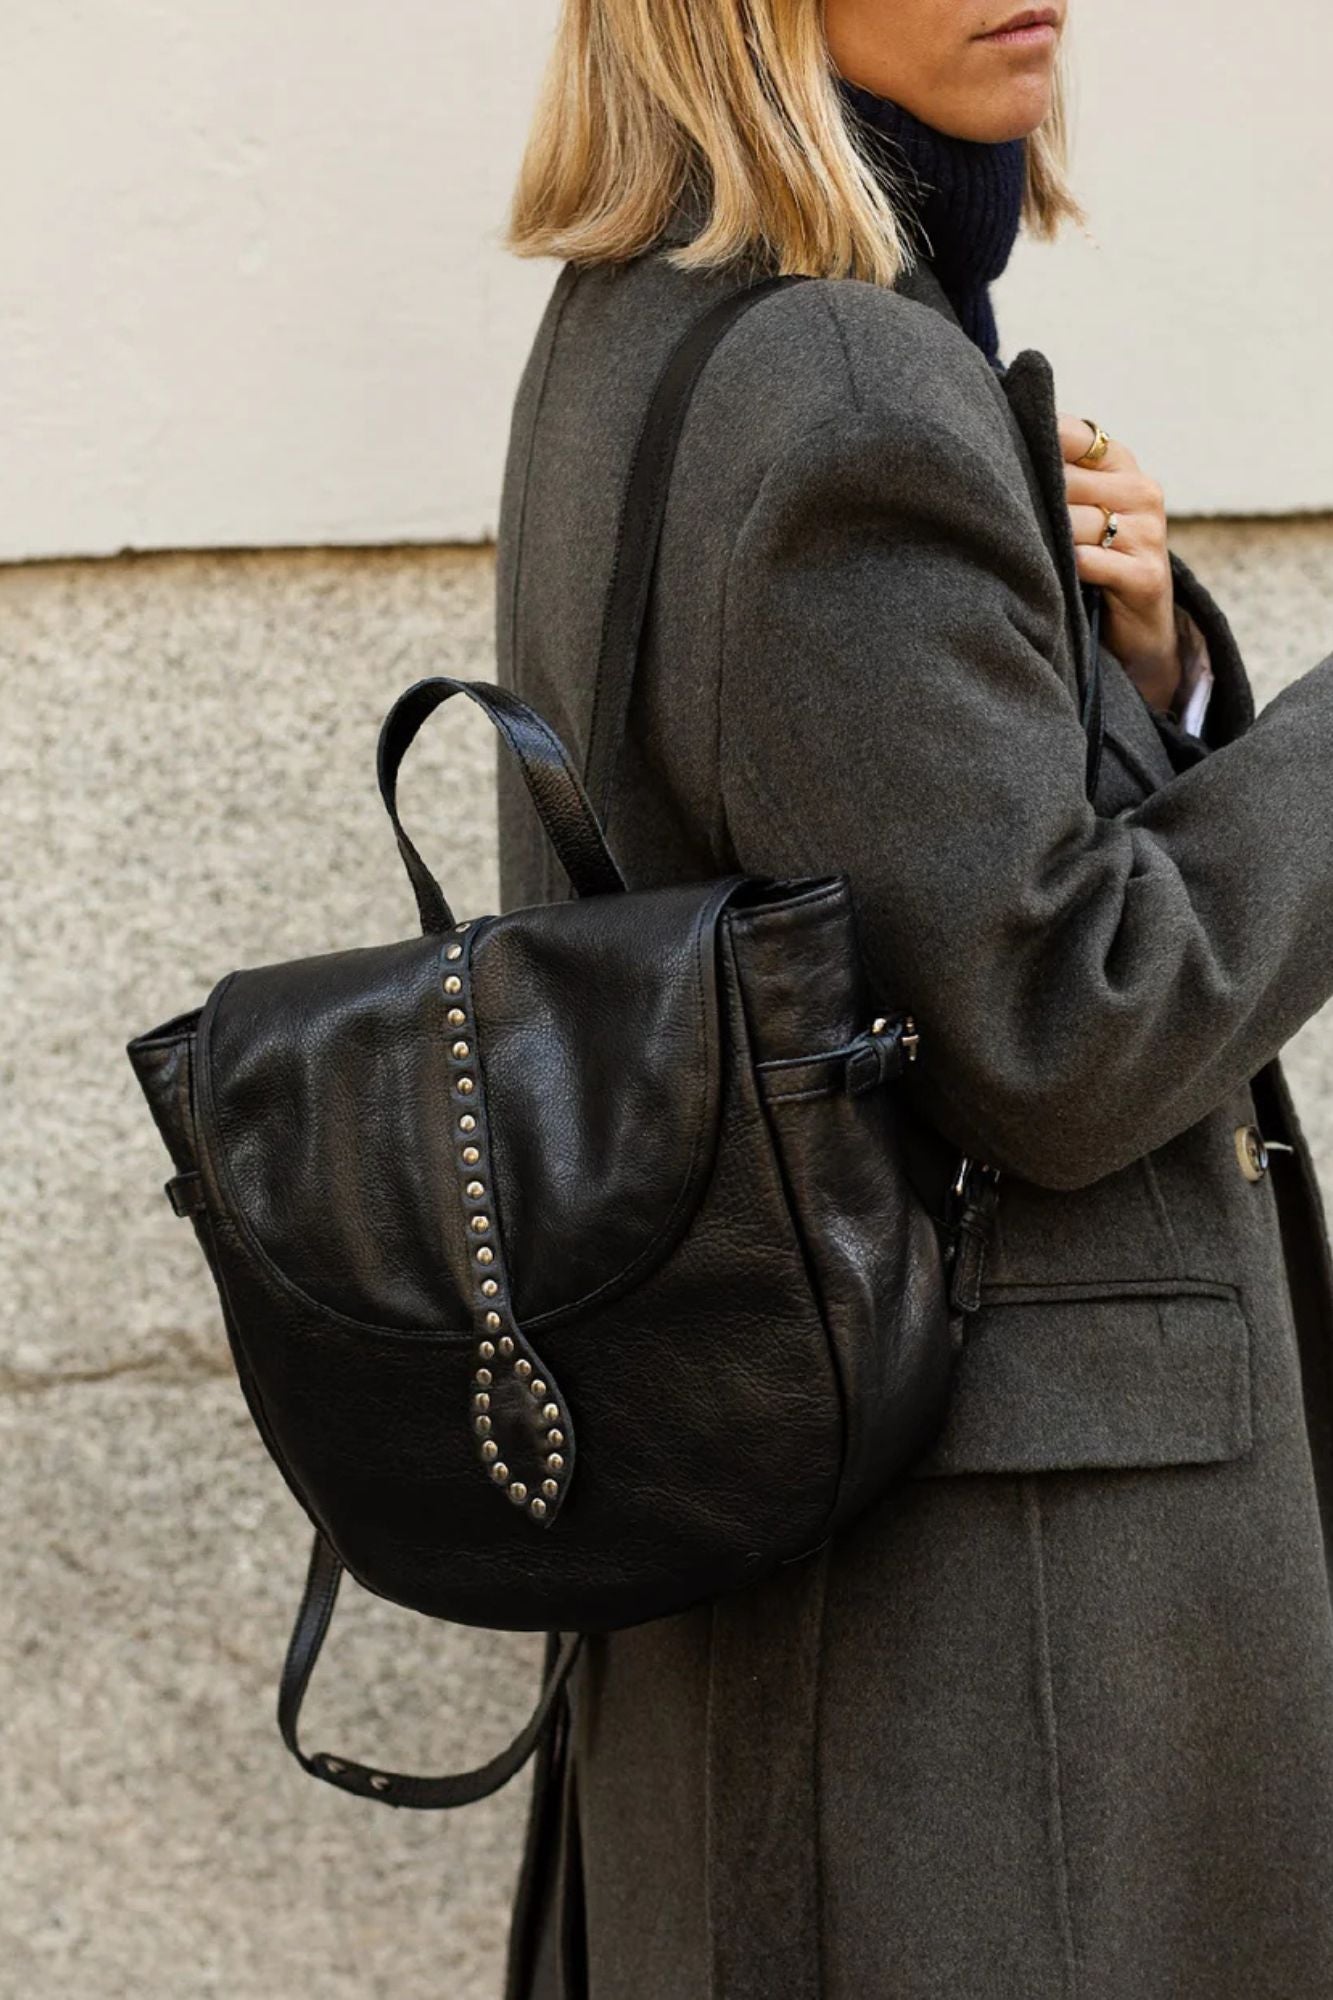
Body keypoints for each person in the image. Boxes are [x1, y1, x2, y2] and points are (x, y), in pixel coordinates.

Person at [491, 3, 1333, 1995]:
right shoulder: (838, 364)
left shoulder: (648, 327)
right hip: (992, 1629)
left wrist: (1146, 685)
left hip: (829, 1527)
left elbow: (885, 887)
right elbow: (1058, 1025)